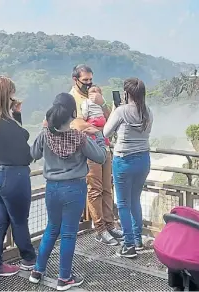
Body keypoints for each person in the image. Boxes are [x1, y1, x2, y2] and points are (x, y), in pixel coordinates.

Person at [29, 93, 107, 291]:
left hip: (52, 188)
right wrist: (97, 135)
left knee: (52, 228)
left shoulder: (46, 134)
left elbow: (33, 154)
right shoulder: (79, 138)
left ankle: (37, 271)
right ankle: (64, 278)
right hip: (74, 188)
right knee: (69, 233)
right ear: (72, 113)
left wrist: (43, 129)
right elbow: (100, 157)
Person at [0, 75, 36, 279]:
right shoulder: (6, 124)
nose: (13, 96)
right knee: (19, 221)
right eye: (11, 93)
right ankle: (29, 260)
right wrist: (16, 116)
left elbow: (16, 138)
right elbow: (24, 149)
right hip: (13, 175)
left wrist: (15, 114)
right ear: (4, 97)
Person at [70, 64, 122, 246]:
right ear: (75, 80)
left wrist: (102, 103)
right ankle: (99, 229)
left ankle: (110, 224)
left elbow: (110, 119)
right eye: (85, 80)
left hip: (104, 147)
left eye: (90, 79)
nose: (88, 83)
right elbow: (77, 125)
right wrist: (100, 129)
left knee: (108, 187)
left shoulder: (95, 94)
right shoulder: (73, 99)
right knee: (95, 189)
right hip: (87, 149)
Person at [103, 77, 153, 258]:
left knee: (123, 203)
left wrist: (114, 111)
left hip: (124, 160)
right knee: (135, 200)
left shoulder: (121, 111)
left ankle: (129, 245)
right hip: (143, 160)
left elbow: (105, 133)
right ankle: (138, 240)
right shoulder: (148, 111)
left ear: (126, 93)